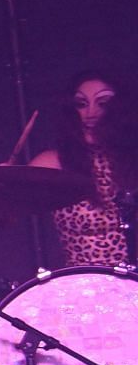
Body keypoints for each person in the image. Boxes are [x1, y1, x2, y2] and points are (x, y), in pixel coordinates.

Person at [31, 71, 137, 266]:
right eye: (81, 104)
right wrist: (1, 186)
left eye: (102, 103)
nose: (90, 113)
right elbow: (2, 220)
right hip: (84, 287)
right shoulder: (54, 163)